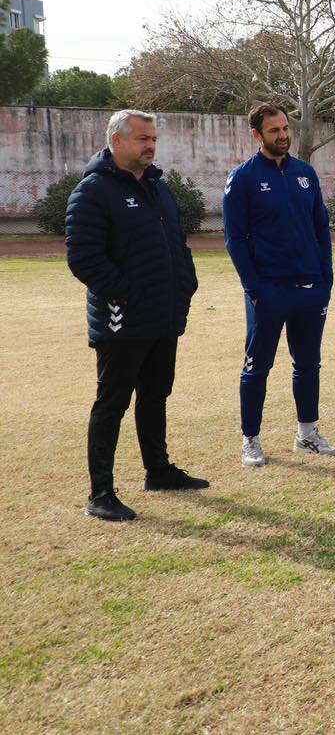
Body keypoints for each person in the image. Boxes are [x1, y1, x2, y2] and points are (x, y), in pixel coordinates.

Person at [65, 109, 208, 521]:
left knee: (156, 394)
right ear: (117, 142)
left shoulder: (160, 189)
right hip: (122, 319)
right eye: (143, 138)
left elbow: (177, 244)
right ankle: (101, 494)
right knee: (112, 403)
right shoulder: (92, 192)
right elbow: (84, 259)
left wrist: (185, 285)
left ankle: (158, 472)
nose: (150, 146)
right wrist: (128, 294)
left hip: (163, 316)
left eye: (154, 139)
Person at [222, 103, 335, 468]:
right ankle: (251, 441)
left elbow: (321, 226)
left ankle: (307, 434)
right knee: (258, 367)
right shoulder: (242, 179)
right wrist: (254, 289)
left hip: (311, 287)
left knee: (308, 364)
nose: (283, 135)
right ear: (257, 135)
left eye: (285, 128)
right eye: (274, 131)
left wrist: (326, 277)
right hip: (269, 290)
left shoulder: (306, 173)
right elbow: (235, 239)